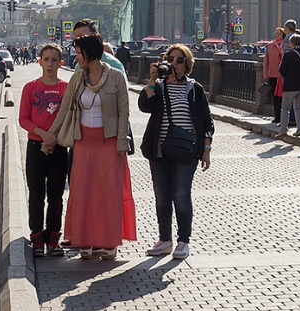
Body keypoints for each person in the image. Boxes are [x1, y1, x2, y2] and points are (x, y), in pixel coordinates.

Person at [48, 33, 135, 260]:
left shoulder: (116, 77)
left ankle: (109, 242)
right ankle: (84, 240)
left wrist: (122, 142)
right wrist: (51, 135)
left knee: (108, 194)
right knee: (83, 193)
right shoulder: (78, 78)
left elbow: (124, 112)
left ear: (90, 52)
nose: (75, 57)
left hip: (109, 144)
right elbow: (65, 108)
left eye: (78, 53)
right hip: (83, 143)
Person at [138, 42, 212, 260]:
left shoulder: (194, 89)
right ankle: (165, 240)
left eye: (179, 60)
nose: (174, 64)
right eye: (170, 59)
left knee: (180, 195)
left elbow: (207, 122)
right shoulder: (159, 87)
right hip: (159, 149)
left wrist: (206, 149)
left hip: (185, 151)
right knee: (162, 197)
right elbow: (144, 105)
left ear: (186, 64)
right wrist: (152, 80)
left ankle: (183, 241)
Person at [19, 42, 69, 257]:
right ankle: (37, 238)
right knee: (36, 194)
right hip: (35, 147)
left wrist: (54, 138)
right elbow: (23, 119)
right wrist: (43, 134)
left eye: (54, 60)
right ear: (39, 61)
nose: (50, 64)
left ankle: (54, 238)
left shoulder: (66, 88)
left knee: (56, 195)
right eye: (46, 59)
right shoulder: (30, 87)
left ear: (61, 63)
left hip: (58, 148)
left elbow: (70, 116)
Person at [278, 32, 300, 136]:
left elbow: (282, 71)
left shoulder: (288, 55)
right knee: (298, 108)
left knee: (285, 108)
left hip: (290, 86)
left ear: (291, 43)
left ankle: (283, 130)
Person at [262, 26, 285, 123]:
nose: (277, 35)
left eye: (279, 34)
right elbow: (266, 61)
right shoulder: (270, 46)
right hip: (273, 75)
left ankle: (284, 117)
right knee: (275, 97)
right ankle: (277, 116)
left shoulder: (286, 45)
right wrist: (265, 75)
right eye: (276, 34)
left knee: (284, 97)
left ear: (283, 35)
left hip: (283, 75)